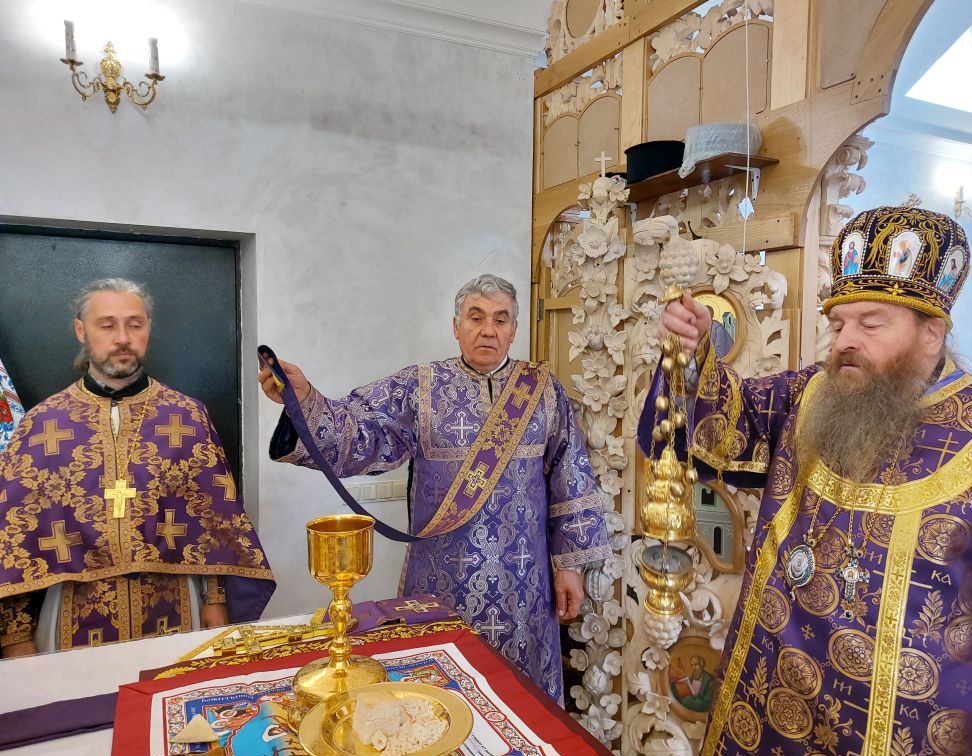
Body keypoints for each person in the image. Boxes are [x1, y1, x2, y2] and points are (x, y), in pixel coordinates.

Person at [641, 207, 972, 756]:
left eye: (871, 324)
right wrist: (693, 350)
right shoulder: (813, 394)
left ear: (932, 333)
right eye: (839, 323)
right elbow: (722, 424)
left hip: (900, 737)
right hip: (764, 706)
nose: (846, 340)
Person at [260, 274, 610, 701]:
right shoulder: (420, 387)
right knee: (439, 696)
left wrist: (569, 566)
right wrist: (305, 401)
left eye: (500, 319)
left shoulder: (543, 391)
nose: (488, 329)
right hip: (442, 581)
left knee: (523, 698)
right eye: (476, 317)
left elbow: (570, 476)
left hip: (525, 585)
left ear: (514, 330)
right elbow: (360, 432)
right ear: (456, 326)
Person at [0, 278, 275, 657]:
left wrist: (215, 600)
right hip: (71, 610)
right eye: (106, 325)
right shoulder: (43, 424)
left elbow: (214, 519)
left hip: (176, 604)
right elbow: (14, 540)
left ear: (148, 329)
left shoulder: (186, 416)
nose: (122, 338)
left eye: (135, 324)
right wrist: (15, 635)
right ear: (81, 330)